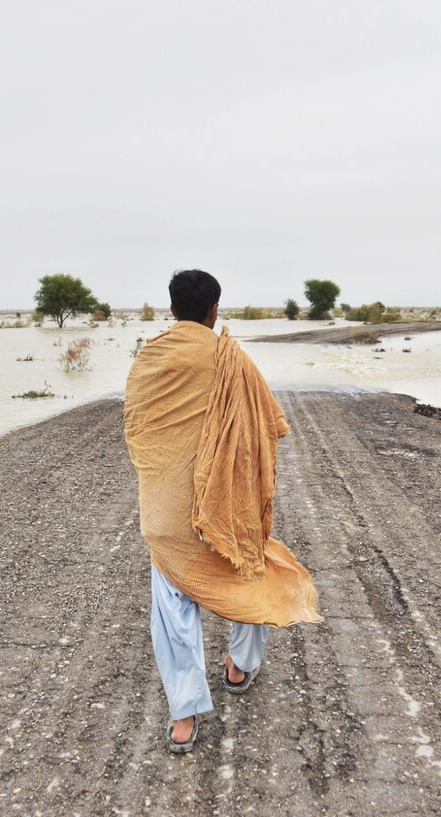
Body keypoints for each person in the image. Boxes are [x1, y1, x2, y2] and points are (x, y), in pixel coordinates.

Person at [123, 269, 322, 754]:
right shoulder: (233, 358)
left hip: (167, 509)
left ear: (172, 309)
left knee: (172, 608)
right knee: (246, 569)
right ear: (214, 311)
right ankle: (238, 667)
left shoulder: (148, 358)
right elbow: (267, 424)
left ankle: (184, 718)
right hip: (226, 502)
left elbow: (137, 426)